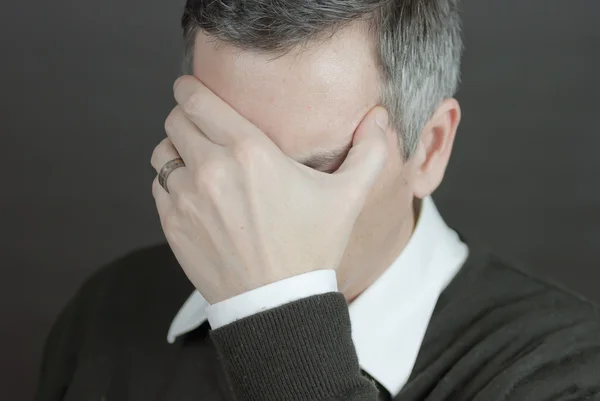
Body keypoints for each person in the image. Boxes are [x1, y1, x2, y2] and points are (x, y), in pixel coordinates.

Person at [35, 1, 600, 400]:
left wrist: (275, 310)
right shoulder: (110, 311)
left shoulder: (566, 374)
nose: (262, 208)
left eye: (317, 167)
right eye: (229, 155)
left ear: (428, 147)